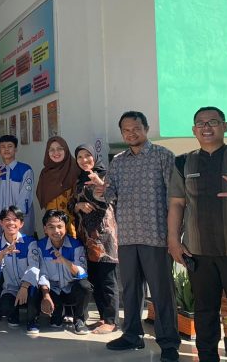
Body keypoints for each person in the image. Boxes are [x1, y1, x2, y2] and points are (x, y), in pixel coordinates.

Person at [167, 106, 227, 361]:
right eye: (201, 123)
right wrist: (173, 240)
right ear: (194, 130)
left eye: (213, 122)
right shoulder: (183, 162)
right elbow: (177, 203)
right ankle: (207, 356)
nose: (207, 127)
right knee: (205, 311)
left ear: (225, 127)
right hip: (198, 251)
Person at [93, 111, 180, 361]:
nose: (131, 133)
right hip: (128, 236)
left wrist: (174, 234)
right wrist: (100, 191)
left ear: (146, 128)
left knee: (162, 293)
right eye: (126, 130)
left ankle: (169, 343)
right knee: (130, 290)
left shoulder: (163, 156)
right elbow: (110, 195)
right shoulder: (119, 161)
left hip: (157, 235)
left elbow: (175, 197)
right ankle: (132, 335)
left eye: (136, 128)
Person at [68, 144, 119, 334]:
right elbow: (71, 203)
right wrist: (78, 205)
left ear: (95, 157)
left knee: (108, 280)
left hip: (104, 237)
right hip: (86, 237)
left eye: (87, 156)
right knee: (95, 279)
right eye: (80, 157)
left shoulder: (106, 176)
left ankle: (112, 321)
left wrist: (99, 183)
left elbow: (111, 199)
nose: (84, 160)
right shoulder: (79, 180)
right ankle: (103, 317)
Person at [30, 209, 92, 335]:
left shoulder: (76, 245)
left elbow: (82, 273)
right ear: (45, 229)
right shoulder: (39, 246)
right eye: (51, 227)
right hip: (53, 290)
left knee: (85, 286)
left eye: (60, 226)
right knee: (55, 323)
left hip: (70, 288)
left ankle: (79, 320)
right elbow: (42, 274)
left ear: (66, 227)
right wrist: (46, 295)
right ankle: (57, 312)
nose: (56, 231)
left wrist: (64, 261)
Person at [0, 206, 40, 333]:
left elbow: (34, 266)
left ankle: (32, 320)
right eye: (7, 219)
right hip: (10, 289)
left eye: (15, 220)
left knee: (34, 293)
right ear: (1, 222)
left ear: (21, 224)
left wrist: (24, 287)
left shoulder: (30, 242)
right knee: (5, 307)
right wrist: (2, 254)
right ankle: (13, 314)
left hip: (28, 286)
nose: (11, 223)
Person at [0, 135, 35, 235]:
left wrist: (12, 220)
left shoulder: (25, 170)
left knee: (21, 243)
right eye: (3, 147)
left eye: (10, 146)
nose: (6, 149)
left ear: (15, 149)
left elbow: (25, 198)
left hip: (19, 221)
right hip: (0, 221)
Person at [36, 137, 79, 237]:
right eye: (52, 149)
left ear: (66, 150)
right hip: (52, 224)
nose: (56, 152)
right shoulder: (45, 174)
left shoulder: (75, 169)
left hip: (72, 224)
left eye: (60, 148)